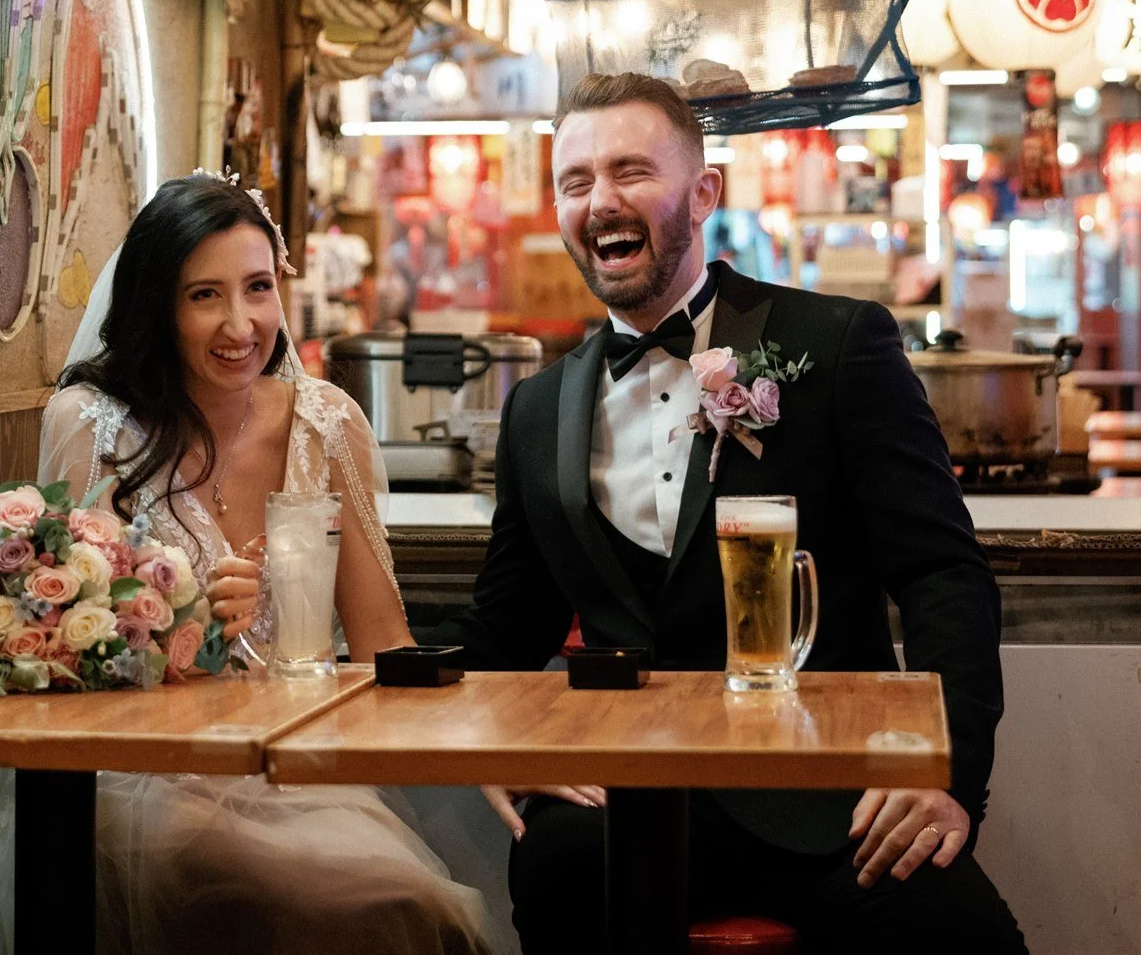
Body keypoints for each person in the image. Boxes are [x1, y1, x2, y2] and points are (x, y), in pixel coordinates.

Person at [432, 74, 1026, 954]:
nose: (602, 201)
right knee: (553, 864)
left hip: (830, 800)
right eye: (576, 181)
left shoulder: (837, 343)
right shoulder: (536, 410)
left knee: (962, 934)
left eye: (631, 170)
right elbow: (502, 632)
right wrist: (381, 663)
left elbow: (943, 575)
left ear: (704, 192)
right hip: (625, 803)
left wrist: (945, 774)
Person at [0, 173, 490, 955]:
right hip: (134, 779)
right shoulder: (91, 424)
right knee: (362, 901)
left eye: (258, 287)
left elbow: (383, 644)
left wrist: (483, 745)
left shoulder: (328, 423)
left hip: (291, 770)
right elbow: (65, 650)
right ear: (158, 305)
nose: (240, 323)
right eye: (204, 296)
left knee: (421, 903)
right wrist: (187, 621)